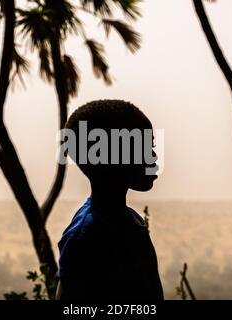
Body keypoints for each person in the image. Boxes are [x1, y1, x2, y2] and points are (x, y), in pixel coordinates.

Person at [56, 100, 163, 300]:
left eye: (152, 146)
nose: (154, 156)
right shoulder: (85, 236)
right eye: (144, 148)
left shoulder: (129, 219)